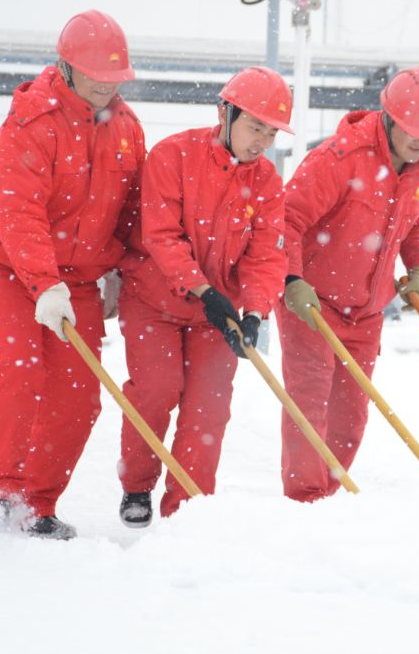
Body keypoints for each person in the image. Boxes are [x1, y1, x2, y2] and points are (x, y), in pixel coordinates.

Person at [0, 10, 146, 540]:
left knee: (78, 393)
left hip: (80, 277)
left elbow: (134, 213)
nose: (108, 88)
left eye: (117, 79)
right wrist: (44, 283)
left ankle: (37, 503)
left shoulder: (128, 131)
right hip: (1, 267)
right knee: (19, 368)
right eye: (97, 77)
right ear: (65, 68)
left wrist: (119, 274)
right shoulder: (30, 123)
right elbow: (19, 215)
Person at [115, 67, 291, 526]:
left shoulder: (267, 183)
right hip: (154, 300)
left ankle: (186, 509)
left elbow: (266, 256)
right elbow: (161, 236)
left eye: (271, 132)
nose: (262, 141)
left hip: (219, 312)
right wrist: (203, 289)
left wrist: (254, 311)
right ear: (225, 113)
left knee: (208, 410)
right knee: (155, 392)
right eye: (256, 127)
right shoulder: (173, 156)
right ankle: (137, 483)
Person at [278, 66, 419, 502]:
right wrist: (293, 279)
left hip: (367, 310)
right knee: (309, 405)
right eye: (412, 130)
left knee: (350, 418)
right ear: (390, 117)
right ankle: (305, 502)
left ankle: (330, 500)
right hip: (312, 303)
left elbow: (417, 226)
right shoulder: (341, 158)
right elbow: (287, 221)